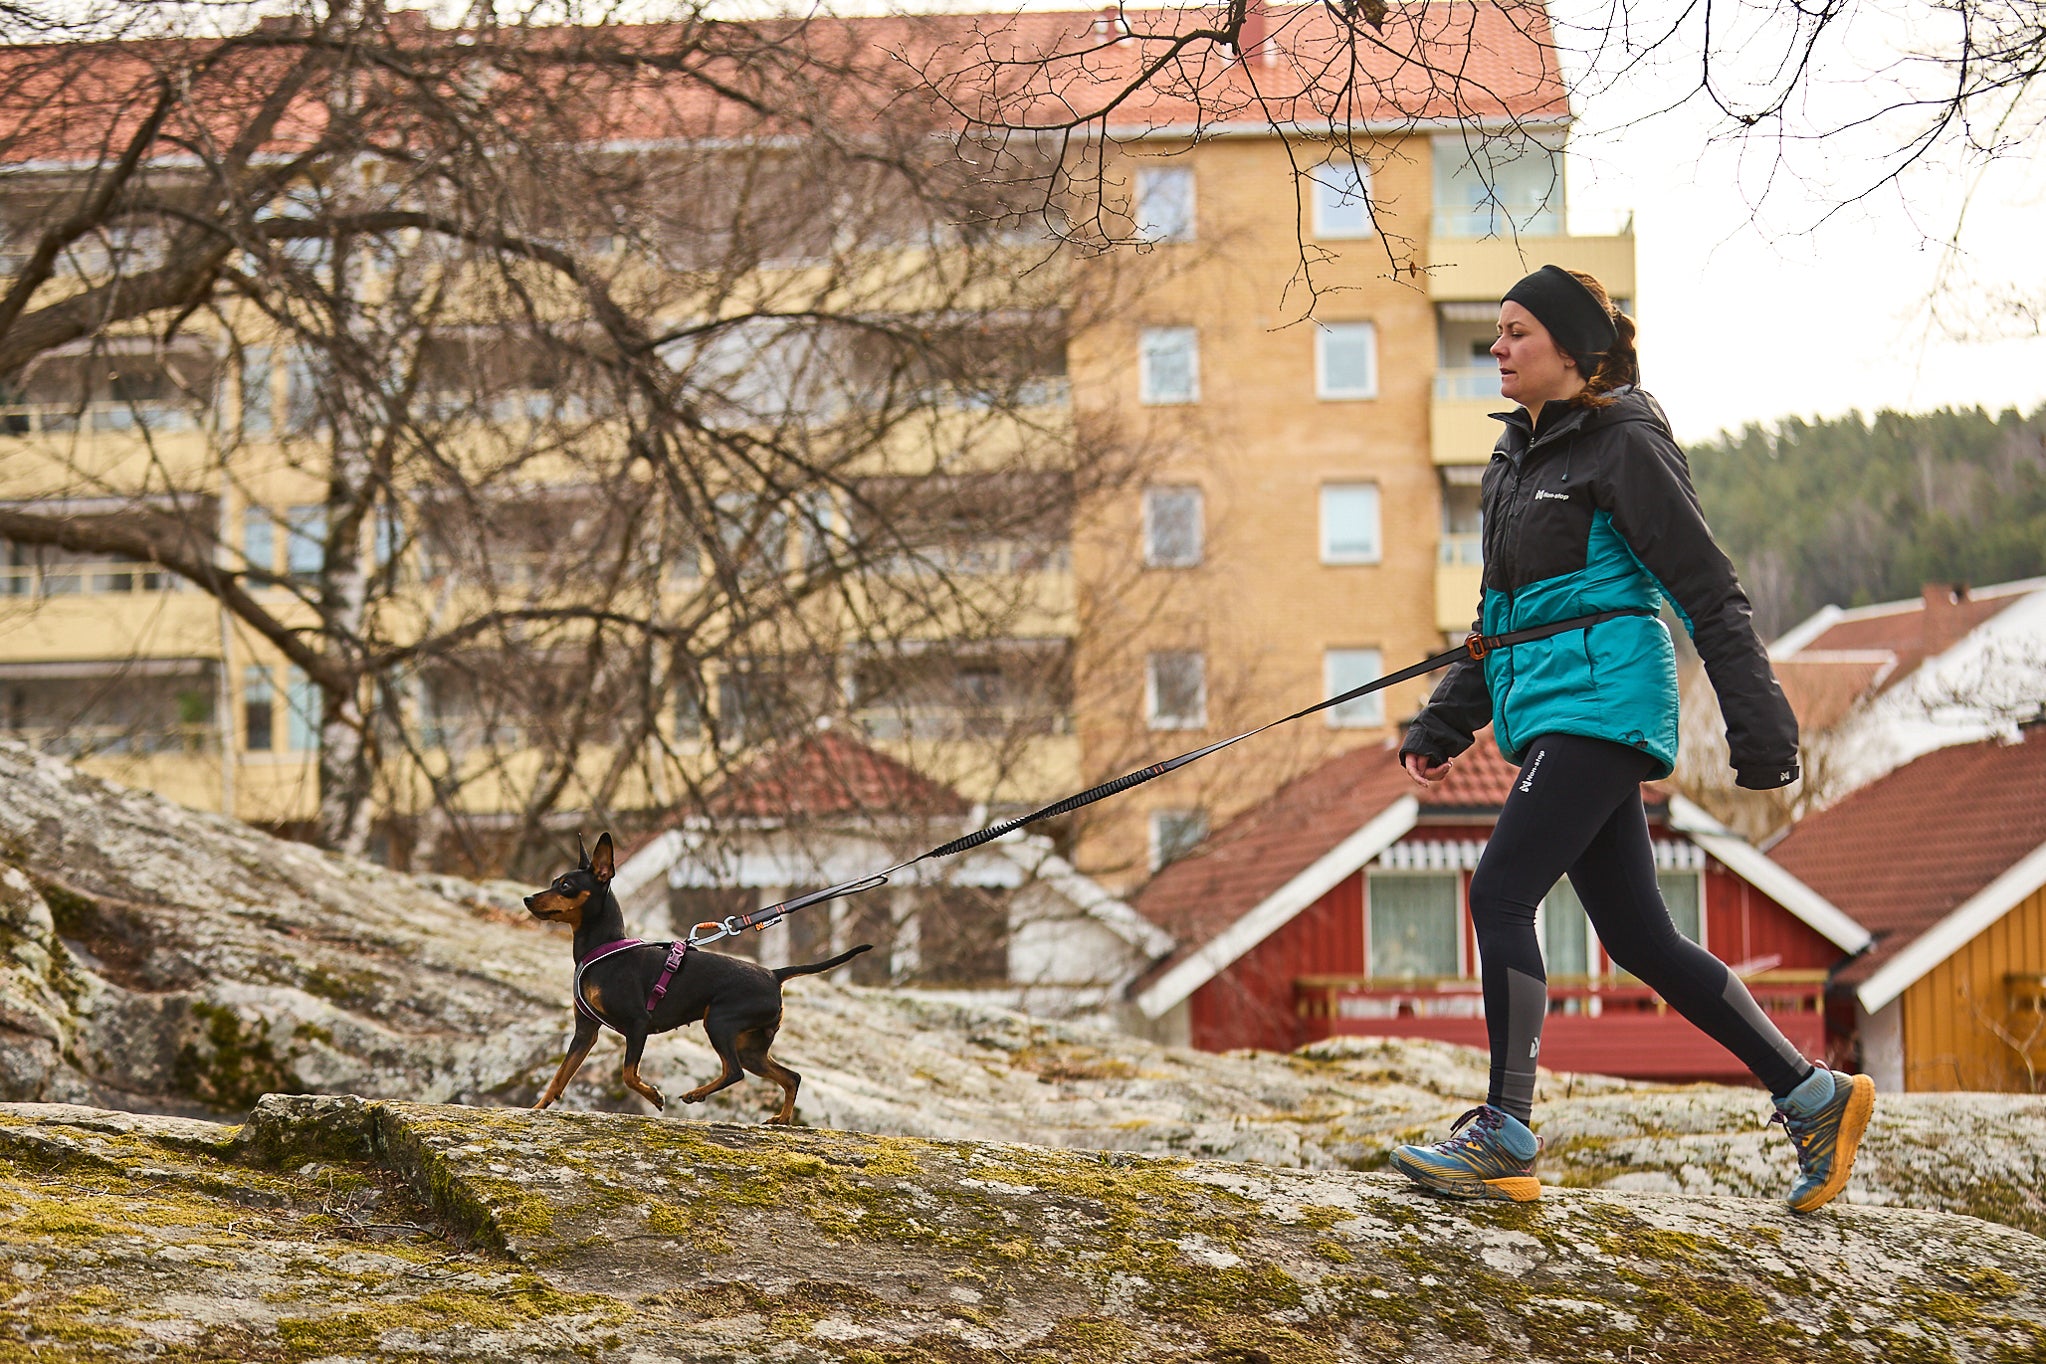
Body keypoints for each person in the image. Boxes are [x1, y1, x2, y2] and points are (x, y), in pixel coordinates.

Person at [1389, 265, 1874, 1212]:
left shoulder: (1625, 446)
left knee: (1499, 888)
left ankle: (1506, 1130)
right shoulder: (1512, 459)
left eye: (1516, 333)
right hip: (1549, 704)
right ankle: (1814, 1096)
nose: (1497, 348)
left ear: (1572, 352)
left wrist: (1761, 727)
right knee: (1640, 937)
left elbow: (1707, 590)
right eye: (1496, 333)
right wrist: (1447, 719)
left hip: (1606, 698)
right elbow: (1501, 616)